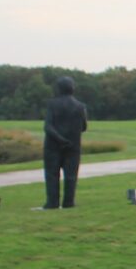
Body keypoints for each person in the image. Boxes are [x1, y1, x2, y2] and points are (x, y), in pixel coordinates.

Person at [41, 75, 88, 209]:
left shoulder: (52, 104)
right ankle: (69, 202)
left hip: (53, 145)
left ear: (59, 89)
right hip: (73, 146)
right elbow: (84, 127)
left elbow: (48, 127)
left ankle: (52, 202)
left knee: (52, 175)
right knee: (71, 176)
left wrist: (60, 139)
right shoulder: (80, 106)